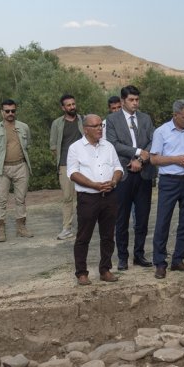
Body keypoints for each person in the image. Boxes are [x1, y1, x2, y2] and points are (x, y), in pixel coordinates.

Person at [150, 100, 184, 279]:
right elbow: (154, 159)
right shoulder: (161, 132)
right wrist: (176, 160)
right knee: (163, 221)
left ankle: (178, 259)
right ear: (175, 115)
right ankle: (160, 262)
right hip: (169, 181)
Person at [67, 114, 123, 285]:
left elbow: (118, 167)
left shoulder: (108, 146)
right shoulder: (75, 148)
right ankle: (81, 273)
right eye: (95, 126)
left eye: (101, 125)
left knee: (108, 235)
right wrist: (94, 185)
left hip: (109, 195)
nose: (100, 128)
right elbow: (73, 173)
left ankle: (105, 269)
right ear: (86, 129)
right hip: (88, 198)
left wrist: (113, 181)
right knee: (84, 236)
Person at [105, 86, 157, 269]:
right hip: (124, 174)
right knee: (122, 219)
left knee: (142, 218)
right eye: (131, 100)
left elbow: (153, 140)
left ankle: (139, 255)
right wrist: (136, 153)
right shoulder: (112, 120)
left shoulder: (145, 118)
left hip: (143, 173)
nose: (135, 103)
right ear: (123, 101)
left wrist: (142, 159)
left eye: (137, 99)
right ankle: (122, 257)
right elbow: (113, 144)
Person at [0, 99, 33, 242]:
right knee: (1, 199)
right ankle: (1, 230)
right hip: (3, 168)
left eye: (13, 111)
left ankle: (21, 228)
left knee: (21, 199)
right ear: (2, 112)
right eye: (7, 111)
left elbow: (28, 144)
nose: (10, 113)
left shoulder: (24, 127)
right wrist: (1, 161)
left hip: (21, 166)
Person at [49, 94, 84, 240]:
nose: (72, 107)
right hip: (65, 165)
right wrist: (64, 159)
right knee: (67, 197)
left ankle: (84, 226)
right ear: (63, 108)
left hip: (84, 164)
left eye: (73, 104)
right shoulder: (57, 123)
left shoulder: (83, 120)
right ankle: (67, 228)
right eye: (68, 105)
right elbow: (53, 146)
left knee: (85, 197)